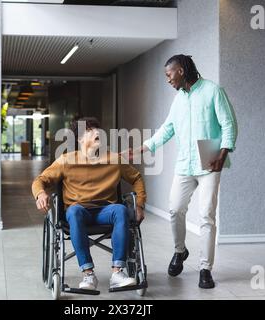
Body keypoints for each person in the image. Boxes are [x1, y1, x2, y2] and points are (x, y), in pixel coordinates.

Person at [129, 55, 238, 289]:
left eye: (169, 75)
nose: (167, 80)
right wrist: (142, 148)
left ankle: (205, 269)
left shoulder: (212, 90)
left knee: (206, 214)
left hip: (210, 163)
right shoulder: (178, 100)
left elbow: (229, 123)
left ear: (180, 70)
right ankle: (180, 250)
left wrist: (223, 154)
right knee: (175, 208)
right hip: (185, 164)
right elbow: (167, 129)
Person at [32, 117, 147, 291]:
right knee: (74, 211)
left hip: (105, 211)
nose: (96, 133)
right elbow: (40, 180)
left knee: (121, 209)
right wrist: (40, 193)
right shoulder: (66, 160)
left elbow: (136, 178)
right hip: (79, 213)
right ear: (79, 139)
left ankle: (117, 273)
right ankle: (88, 274)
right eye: (89, 131)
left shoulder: (114, 158)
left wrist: (139, 204)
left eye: (96, 129)